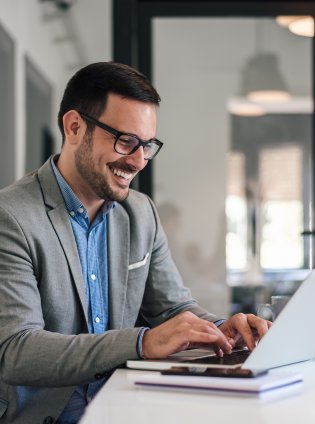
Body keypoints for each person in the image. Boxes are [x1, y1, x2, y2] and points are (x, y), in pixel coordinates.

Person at [0, 62, 270, 424]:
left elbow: (173, 309)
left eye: (147, 145)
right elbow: (17, 351)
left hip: (128, 408)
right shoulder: (11, 216)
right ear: (75, 127)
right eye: (126, 141)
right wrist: (141, 342)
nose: (139, 160)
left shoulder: (141, 214)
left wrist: (223, 330)